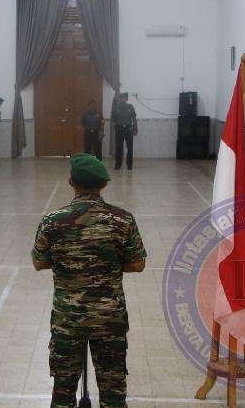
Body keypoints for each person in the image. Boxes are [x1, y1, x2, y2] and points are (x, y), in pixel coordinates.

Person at [32, 153, 146, 408]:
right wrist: (107, 264)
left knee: (63, 392)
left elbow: (39, 262)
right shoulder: (123, 219)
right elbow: (138, 264)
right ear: (103, 184)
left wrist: (69, 262)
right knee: (113, 393)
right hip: (109, 318)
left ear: (71, 181)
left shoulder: (53, 221)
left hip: (68, 320)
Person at [111, 93, 137, 170]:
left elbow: (134, 118)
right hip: (119, 129)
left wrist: (135, 127)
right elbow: (113, 118)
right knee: (119, 147)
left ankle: (129, 165)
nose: (124, 99)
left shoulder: (130, 106)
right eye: (122, 98)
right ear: (120, 99)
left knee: (130, 147)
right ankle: (118, 164)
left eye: (125, 98)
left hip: (128, 129)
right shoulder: (116, 107)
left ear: (127, 99)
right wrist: (117, 123)